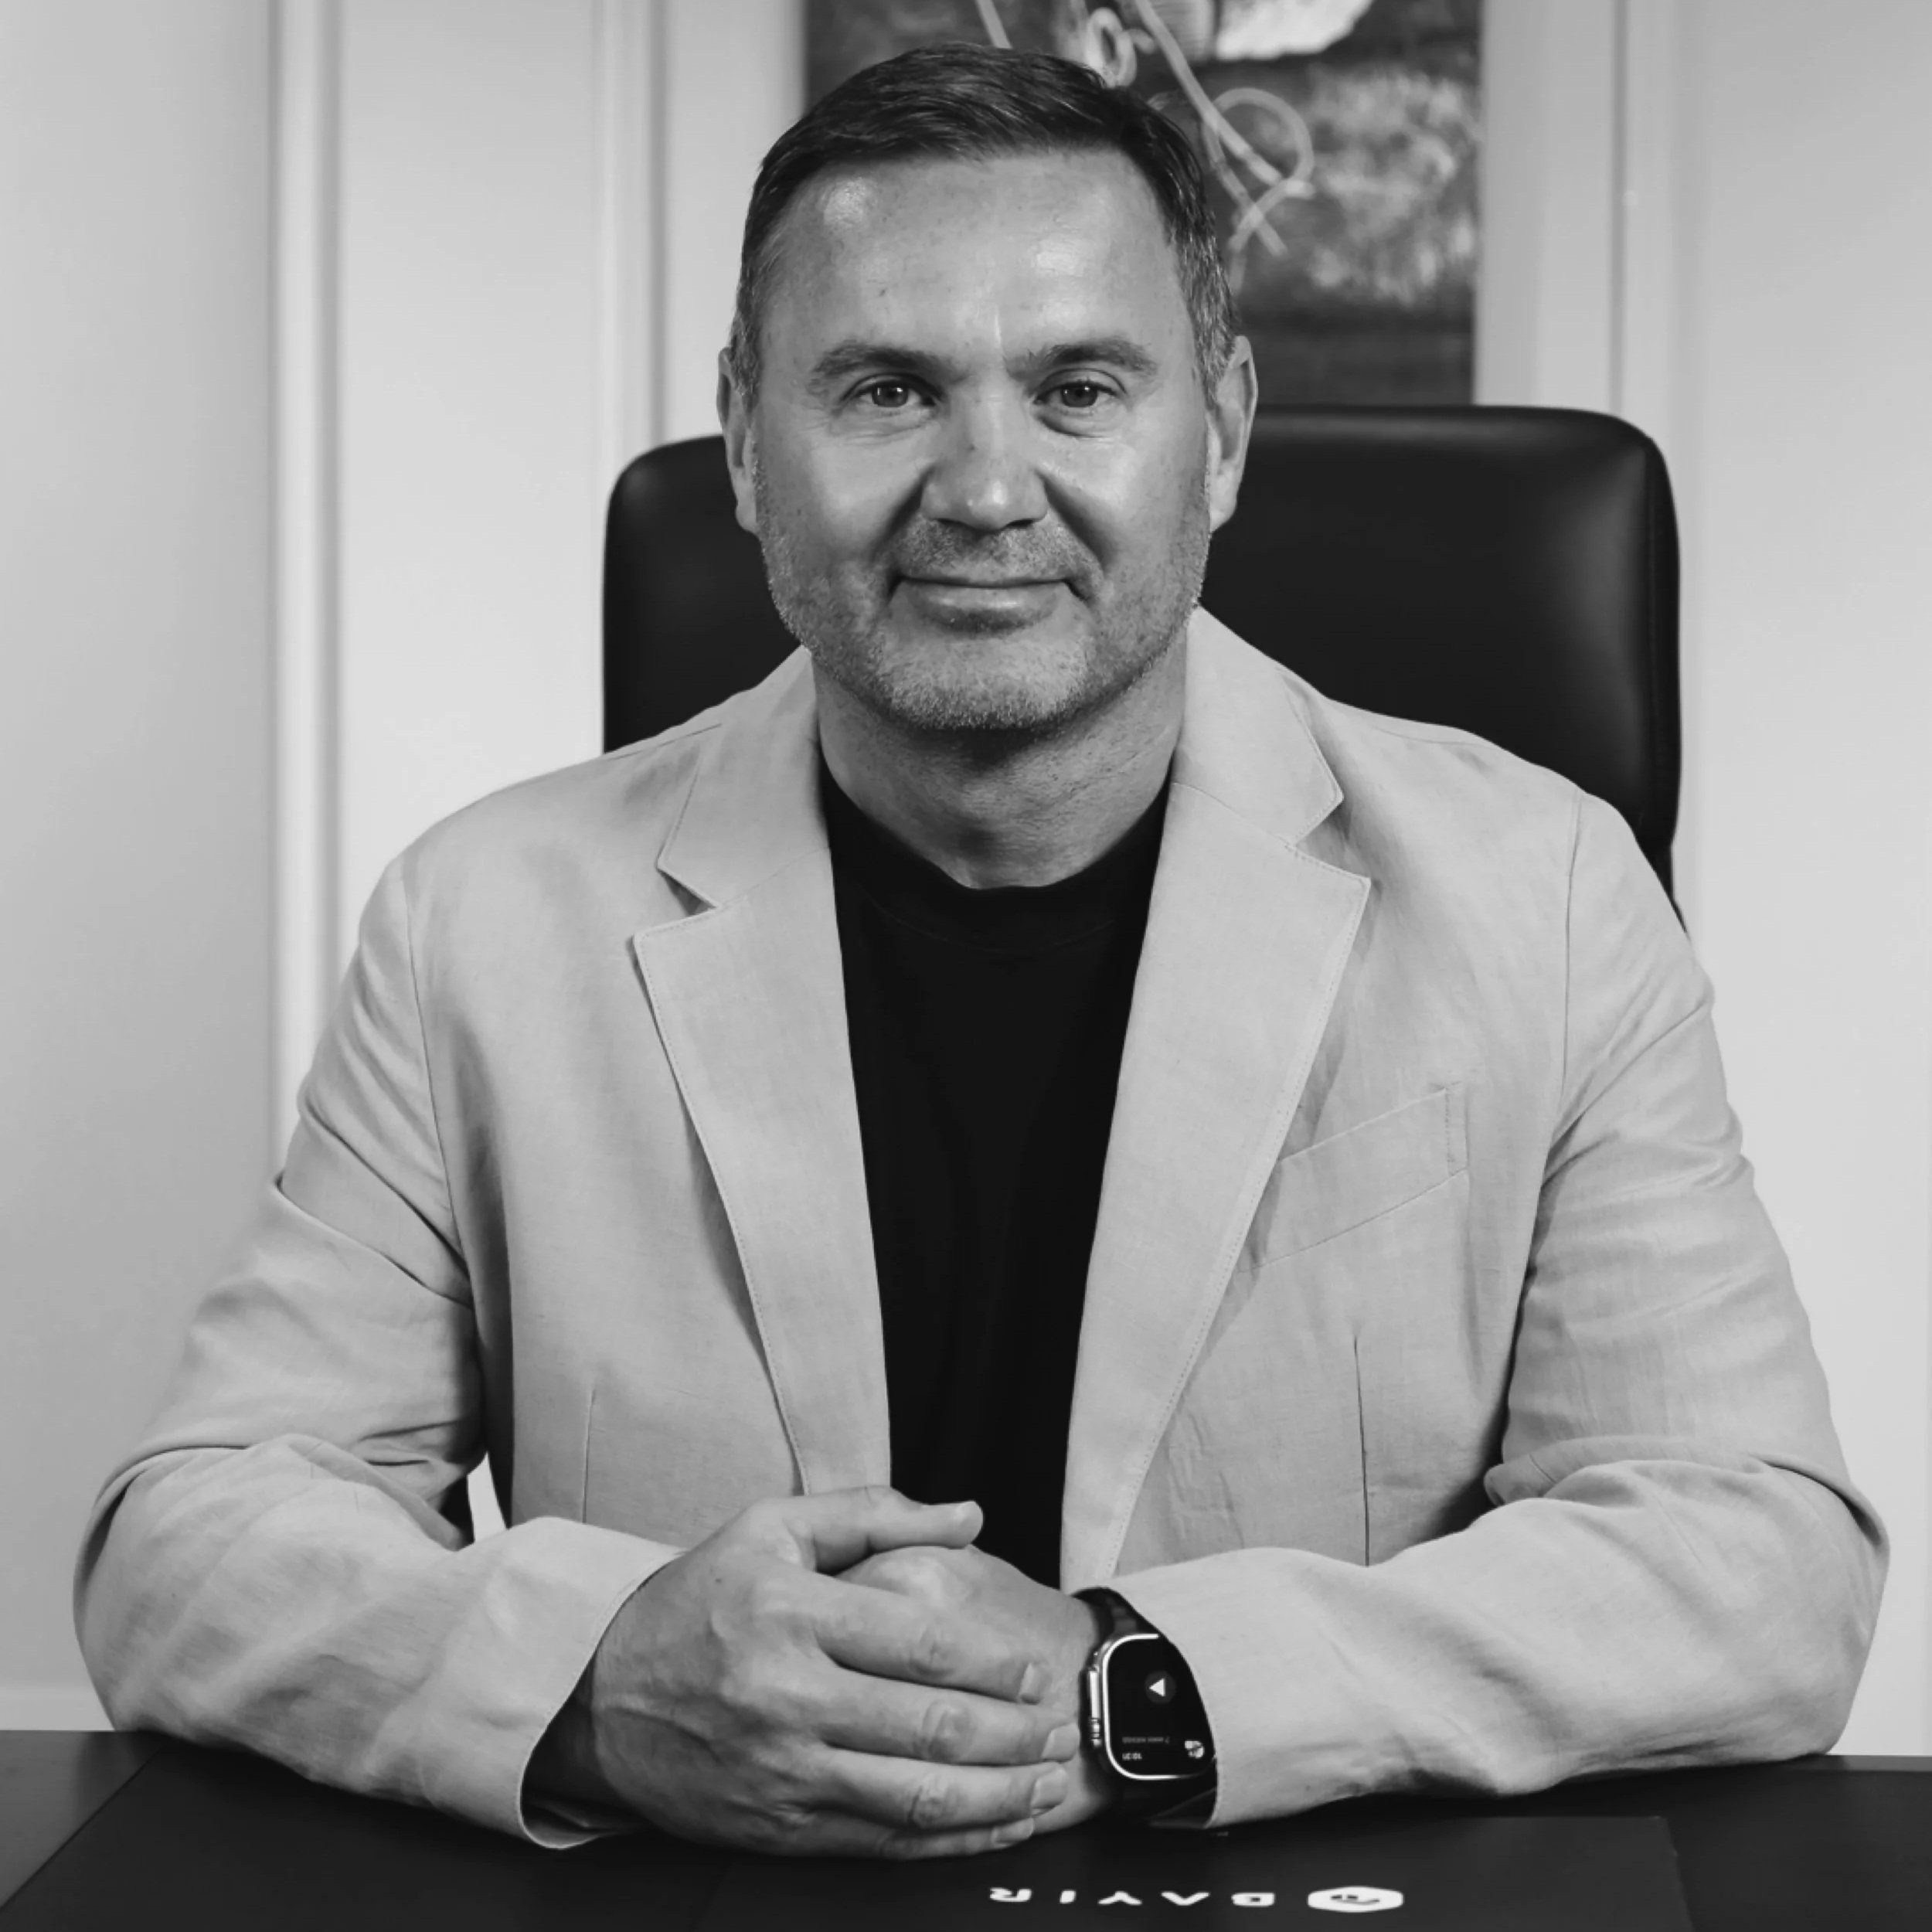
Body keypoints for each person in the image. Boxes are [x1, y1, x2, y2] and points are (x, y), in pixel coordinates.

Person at [77, 45, 1882, 1862]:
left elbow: (1753, 1564)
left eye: (1078, 385)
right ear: (743, 441)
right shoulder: (480, 918)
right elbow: (193, 1541)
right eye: (882, 389)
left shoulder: (1545, 900)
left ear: (1223, 431)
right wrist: (599, 1677)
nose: (985, 486)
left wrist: (1139, 1681)